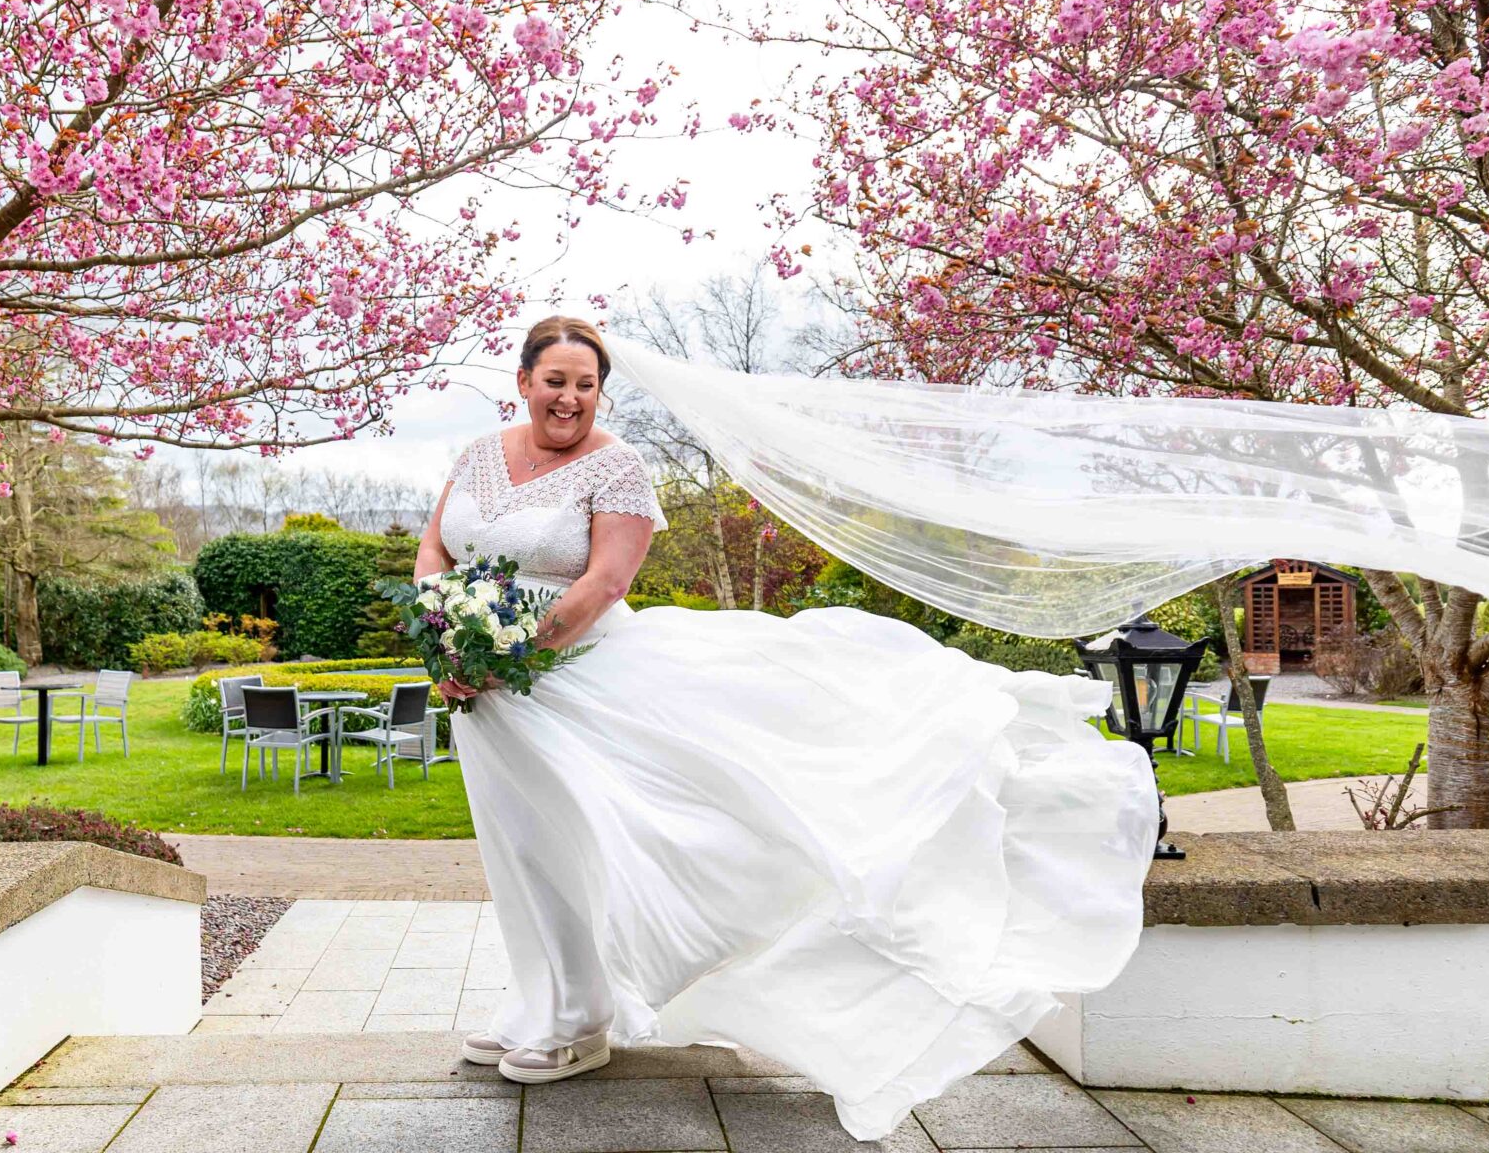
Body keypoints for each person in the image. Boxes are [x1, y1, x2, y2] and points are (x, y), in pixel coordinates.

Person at [415, 314, 1160, 1141]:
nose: (570, 398)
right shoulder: (478, 455)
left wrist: (507, 653)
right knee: (517, 846)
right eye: (555, 381)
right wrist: (443, 631)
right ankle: (540, 1003)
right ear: (523, 382)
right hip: (484, 689)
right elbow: (434, 552)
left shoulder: (616, 466)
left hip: (579, 680)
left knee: (581, 840)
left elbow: (603, 582)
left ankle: (580, 1021)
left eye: (586, 385)